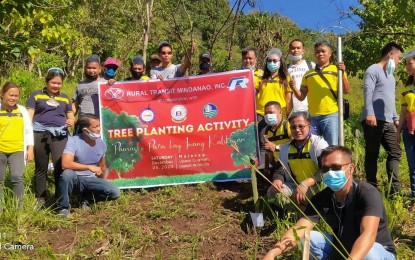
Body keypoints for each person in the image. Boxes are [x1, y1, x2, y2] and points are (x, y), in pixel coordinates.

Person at [264, 145, 396, 260]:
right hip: (344, 249)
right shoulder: (322, 198)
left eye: (336, 167)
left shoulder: (367, 193)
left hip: (377, 252)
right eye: (325, 169)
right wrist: (272, 253)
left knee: (368, 253)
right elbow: (299, 229)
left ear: (351, 168)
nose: (330, 172)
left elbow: (368, 234)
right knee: (307, 238)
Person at [27, 68, 75, 206]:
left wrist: (71, 121)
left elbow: (70, 116)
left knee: (60, 166)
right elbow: (29, 118)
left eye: (59, 83)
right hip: (39, 133)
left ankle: (60, 198)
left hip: (59, 135)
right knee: (41, 166)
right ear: (47, 81)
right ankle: (41, 198)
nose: (56, 86)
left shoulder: (65, 97)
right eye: (53, 82)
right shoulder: (36, 95)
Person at [361, 42, 404, 195]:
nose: (399, 62)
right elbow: (368, 91)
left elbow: (390, 99)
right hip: (373, 119)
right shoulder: (373, 70)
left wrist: (395, 117)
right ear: (390, 54)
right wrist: (370, 113)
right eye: (399, 58)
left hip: (388, 121)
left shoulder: (390, 76)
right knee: (372, 153)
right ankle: (371, 188)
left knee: (395, 151)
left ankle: (395, 189)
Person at [57, 114, 120, 218]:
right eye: (95, 127)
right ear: (85, 130)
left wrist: (102, 183)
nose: (99, 129)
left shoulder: (101, 143)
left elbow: (102, 166)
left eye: (99, 125)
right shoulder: (73, 141)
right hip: (76, 179)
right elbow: (65, 163)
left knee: (115, 192)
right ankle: (63, 207)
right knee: (67, 174)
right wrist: (89, 167)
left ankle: (87, 200)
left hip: (91, 180)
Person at [289, 39, 350, 145]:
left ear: (330, 53)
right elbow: (301, 97)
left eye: (323, 51)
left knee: (332, 147)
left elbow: (346, 90)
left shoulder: (337, 70)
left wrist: (343, 73)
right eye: (317, 52)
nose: (320, 54)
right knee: (312, 146)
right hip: (312, 117)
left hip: (330, 115)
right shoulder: (308, 74)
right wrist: (294, 88)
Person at [267, 111, 328, 210]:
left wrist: (305, 183)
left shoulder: (318, 144)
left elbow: (326, 169)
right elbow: (280, 169)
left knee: (310, 197)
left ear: (309, 125)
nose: (297, 130)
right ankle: (298, 210)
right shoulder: (285, 148)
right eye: (293, 127)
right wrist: (277, 179)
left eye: (301, 126)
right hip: (295, 185)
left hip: (317, 185)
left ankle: (311, 212)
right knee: (272, 193)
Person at [256, 48, 292, 169]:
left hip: (279, 115)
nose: (272, 63)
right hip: (261, 114)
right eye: (269, 60)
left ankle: (280, 167)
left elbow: (288, 99)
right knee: (263, 143)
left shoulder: (285, 79)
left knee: (279, 141)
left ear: (280, 62)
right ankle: (263, 169)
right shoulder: (260, 79)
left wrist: (288, 114)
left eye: (275, 60)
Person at [0, 82, 34, 206]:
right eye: (10, 95)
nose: (13, 98)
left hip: (17, 150)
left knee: (17, 178)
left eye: (16, 96)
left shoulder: (22, 110)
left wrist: (30, 148)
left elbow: (28, 129)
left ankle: (18, 209)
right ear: (2, 94)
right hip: (1, 150)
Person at [396, 49, 415, 198]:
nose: (407, 67)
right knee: (412, 164)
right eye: (406, 64)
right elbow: (403, 112)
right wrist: (397, 132)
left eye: (410, 63)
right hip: (410, 130)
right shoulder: (406, 88)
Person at [72, 54, 105, 132]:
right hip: (83, 122)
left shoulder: (105, 84)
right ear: (85, 69)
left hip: (100, 123)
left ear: (100, 69)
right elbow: (75, 105)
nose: (91, 71)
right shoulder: (80, 85)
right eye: (89, 68)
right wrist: (70, 117)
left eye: (94, 68)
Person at [287, 39, 315, 112]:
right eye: (293, 48)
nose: (296, 50)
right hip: (292, 109)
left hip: (309, 108)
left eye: (298, 48)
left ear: (303, 50)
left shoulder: (311, 65)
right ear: (289, 51)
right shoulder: (285, 69)